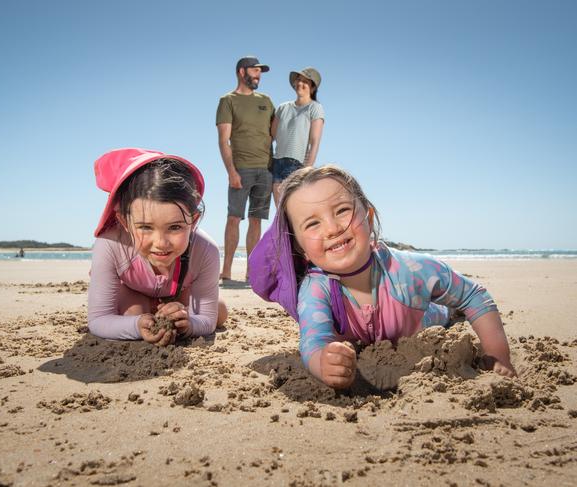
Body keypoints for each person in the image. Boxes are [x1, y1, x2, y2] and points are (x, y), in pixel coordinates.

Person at [249, 165, 516, 389]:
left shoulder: (412, 270)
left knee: (449, 308)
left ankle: (449, 311)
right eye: (312, 223)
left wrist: (498, 357)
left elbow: (474, 295)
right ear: (299, 248)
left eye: (342, 210)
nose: (332, 228)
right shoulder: (315, 289)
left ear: (369, 215)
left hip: (428, 316)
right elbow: (313, 340)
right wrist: (322, 362)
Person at [88, 148, 227, 345]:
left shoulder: (205, 250)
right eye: (145, 227)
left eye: (175, 227)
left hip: (180, 293)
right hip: (132, 292)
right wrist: (136, 325)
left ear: (193, 221)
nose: (161, 243)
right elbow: (99, 319)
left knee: (219, 312)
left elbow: (207, 320)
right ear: (125, 222)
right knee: (134, 314)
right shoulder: (110, 245)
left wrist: (188, 324)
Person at [216, 56, 275, 281]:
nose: (258, 75)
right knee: (233, 218)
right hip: (241, 169)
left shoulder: (266, 101)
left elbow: (275, 132)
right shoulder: (228, 100)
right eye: (255, 70)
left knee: (256, 220)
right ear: (242, 72)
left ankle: (252, 271)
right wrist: (231, 171)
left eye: (260, 71)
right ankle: (227, 270)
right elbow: (223, 140)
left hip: (266, 169)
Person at [270, 67, 324, 206]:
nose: (301, 83)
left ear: (312, 88)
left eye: (306, 82)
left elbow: (315, 142)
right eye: (299, 80)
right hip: (277, 162)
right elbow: (272, 135)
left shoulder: (315, 108)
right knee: (280, 211)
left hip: (297, 164)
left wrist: (307, 170)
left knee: (292, 207)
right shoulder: (282, 108)